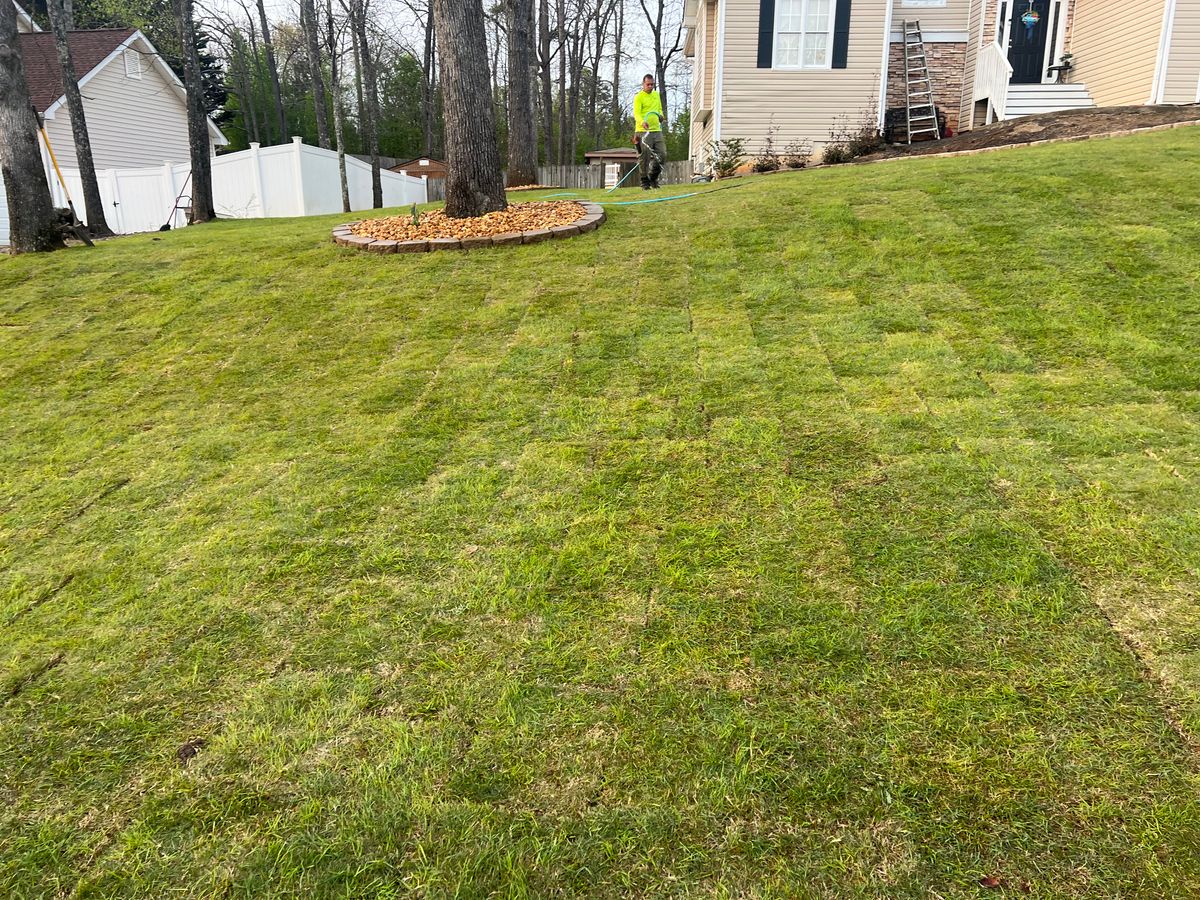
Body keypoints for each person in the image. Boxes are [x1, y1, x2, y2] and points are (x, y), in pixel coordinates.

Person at [633, 74, 666, 190]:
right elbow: (636, 113)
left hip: (657, 130)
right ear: (643, 84)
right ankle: (644, 182)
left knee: (662, 155)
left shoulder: (656, 95)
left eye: (652, 84)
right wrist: (642, 122)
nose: (650, 86)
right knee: (644, 157)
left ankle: (652, 177)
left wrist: (661, 116)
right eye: (648, 84)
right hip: (643, 132)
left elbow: (659, 109)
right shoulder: (638, 97)